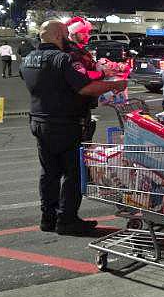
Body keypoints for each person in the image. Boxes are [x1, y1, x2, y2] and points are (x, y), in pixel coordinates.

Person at [21, 20, 127, 235]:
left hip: (40, 122)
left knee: (49, 173)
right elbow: (85, 87)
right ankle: (67, 220)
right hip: (67, 123)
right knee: (74, 172)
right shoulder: (62, 59)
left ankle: (48, 218)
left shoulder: (28, 59)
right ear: (60, 35)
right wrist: (116, 84)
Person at [64, 16, 103, 140]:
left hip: (84, 102)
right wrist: (103, 73)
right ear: (74, 34)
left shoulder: (80, 50)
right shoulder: (71, 52)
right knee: (81, 139)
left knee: (87, 132)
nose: (87, 35)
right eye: (84, 33)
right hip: (76, 102)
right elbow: (83, 75)